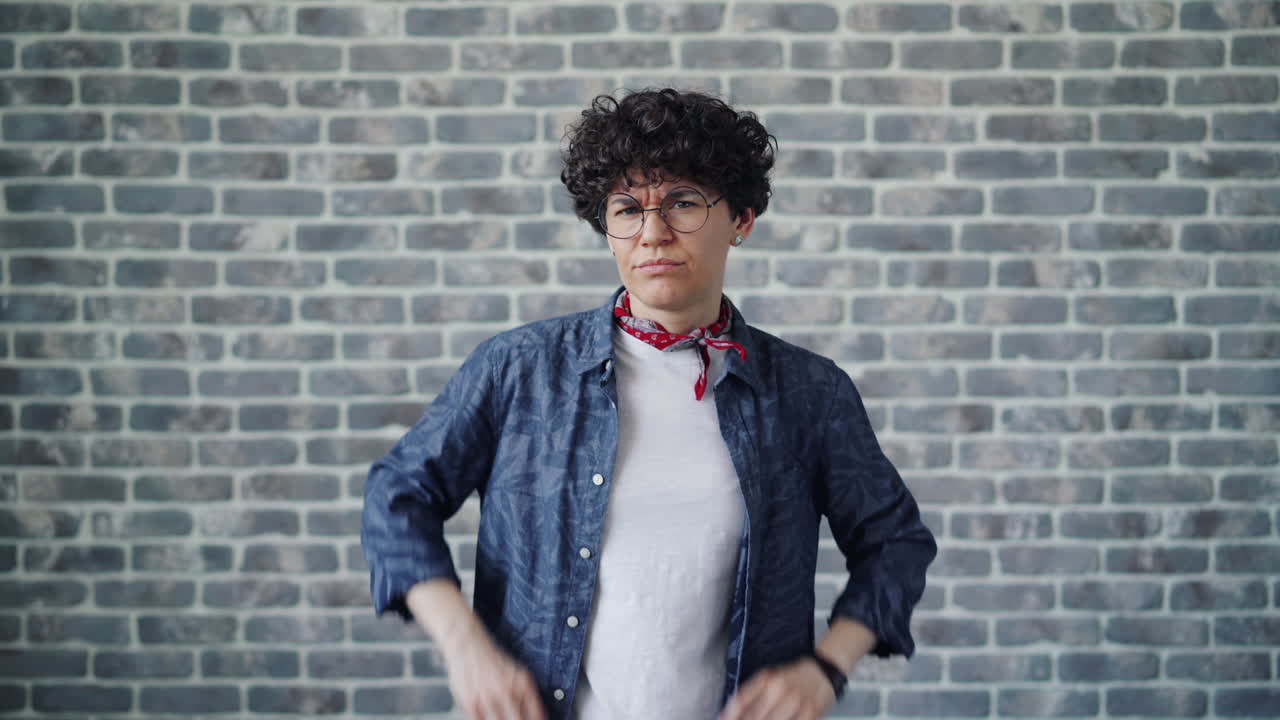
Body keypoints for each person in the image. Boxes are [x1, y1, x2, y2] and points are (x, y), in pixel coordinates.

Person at [362, 88, 937, 720]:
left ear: (742, 219)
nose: (654, 233)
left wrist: (826, 668)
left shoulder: (808, 393)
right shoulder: (518, 371)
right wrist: (465, 645)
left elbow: (895, 541)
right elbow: (398, 496)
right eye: (628, 208)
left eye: (684, 203)